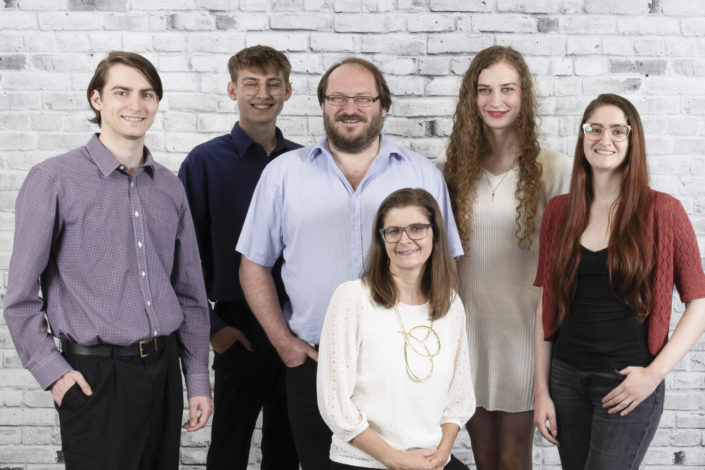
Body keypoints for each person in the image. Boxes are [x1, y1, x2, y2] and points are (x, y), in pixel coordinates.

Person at [237, 57, 464, 470]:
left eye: (363, 98)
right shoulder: (282, 174)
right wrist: (283, 342)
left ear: (383, 106)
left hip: (403, 367)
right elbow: (253, 265)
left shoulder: (421, 174)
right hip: (313, 363)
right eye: (337, 98)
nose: (349, 108)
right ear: (323, 104)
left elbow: (445, 267)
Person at [2, 51, 213, 470]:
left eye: (147, 94)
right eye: (122, 92)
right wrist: (53, 372)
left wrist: (196, 378)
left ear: (157, 102)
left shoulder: (169, 187)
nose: (136, 104)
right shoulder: (53, 179)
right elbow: (20, 297)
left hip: (163, 370)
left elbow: (190, 294)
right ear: (96, 99)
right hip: (94, 376)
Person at [533, 93, 705, 469]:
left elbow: (699, 303)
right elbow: (545, 306)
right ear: (583, 136)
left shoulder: (664, 211)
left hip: (628, 383)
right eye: (594, 129)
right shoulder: (559, 212)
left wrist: (654, 375)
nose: (604, 139)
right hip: (565, 380)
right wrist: (541, 390)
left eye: (617, 130)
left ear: (633, 139)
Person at [442, 46, 571, 469]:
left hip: (525, 332)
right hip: (468, 331)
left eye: (507, 89)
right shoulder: (448, 170)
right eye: (484, 90)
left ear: (524, 95)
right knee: (485, 458)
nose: (496, 101)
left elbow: (570, 263)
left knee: (515, 457)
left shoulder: (554, 169)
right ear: (471, 97)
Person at [178, 45, 300, 470]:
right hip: (237, 325)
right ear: (232, 90)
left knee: (287, 450)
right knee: (229, 448)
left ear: (287, 91)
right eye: (251, 83)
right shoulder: (204, 162)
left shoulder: (304, 162)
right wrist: (213, 329)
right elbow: (182, 256)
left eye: (272, 84)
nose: (262, 94)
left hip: (298, 322)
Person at [317, 188, 475, 470]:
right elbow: (335, 403)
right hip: (367, 462)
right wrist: (398, 461)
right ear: (382, 239)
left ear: (435, 234)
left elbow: (459, 397)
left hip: (430, 461)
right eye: (393, 231)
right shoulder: (353, 298)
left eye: (417, 228)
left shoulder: (451, 304)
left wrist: (441, 454)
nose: (405, 240)